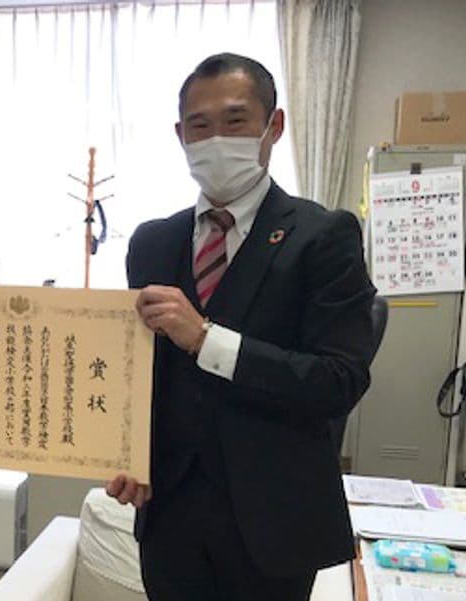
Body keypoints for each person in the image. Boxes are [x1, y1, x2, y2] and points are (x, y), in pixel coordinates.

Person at [105, 53, 376, 601]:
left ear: (273, 126)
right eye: (199, 126)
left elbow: (338, 381)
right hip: (170, 515)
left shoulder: (324, 237)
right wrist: (127, 452)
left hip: (272, 519)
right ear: (180, 135)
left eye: (235, 121)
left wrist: (207, 341)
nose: (216, 140)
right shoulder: (152, 242)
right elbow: (143, 375)